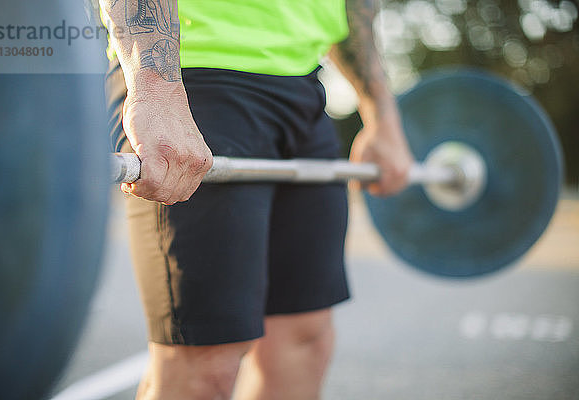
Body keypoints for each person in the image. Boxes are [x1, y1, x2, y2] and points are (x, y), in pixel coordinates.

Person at [100, 0, 413, 398]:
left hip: (303, 83)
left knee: (304, 338)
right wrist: (155, 86)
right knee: (205, 362)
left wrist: (381, 114)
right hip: (190, 74)